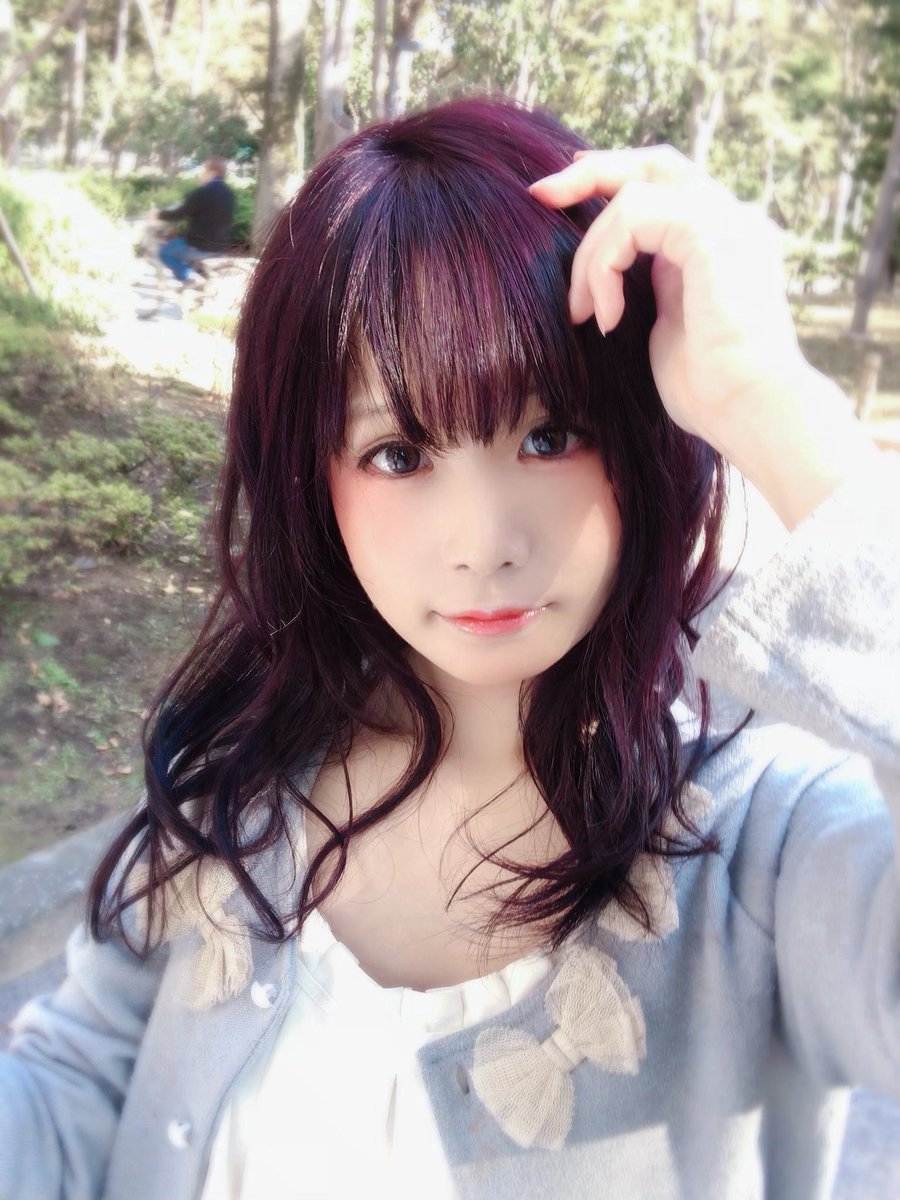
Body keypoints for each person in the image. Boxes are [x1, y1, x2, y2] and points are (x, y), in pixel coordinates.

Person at [0, 96, 897, 1200]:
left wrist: (771, 401)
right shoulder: (234, 773)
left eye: (549, 435)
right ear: (313, 480)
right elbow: (82, 1082)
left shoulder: (767, 848)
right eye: (398, 453)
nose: (485, 543)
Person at [155, 155, 235, 285]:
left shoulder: (201, 192)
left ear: (212, 172)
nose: (200, 173)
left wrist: (158, 215)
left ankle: (189, 277)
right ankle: (198, 278)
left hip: (199, 246)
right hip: (220, 246)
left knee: (164, 252)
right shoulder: (229, 193)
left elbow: (179, 214)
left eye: (203, 170)